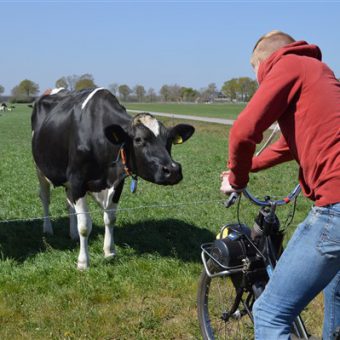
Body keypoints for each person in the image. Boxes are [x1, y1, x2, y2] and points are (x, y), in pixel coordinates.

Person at [220, 30, 340, 339]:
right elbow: (289, 145)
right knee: (336, 291)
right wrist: (251, 166)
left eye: (255, 71)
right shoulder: (320, 73)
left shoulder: (286, 66)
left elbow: (242, 131)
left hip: (336, 204)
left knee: (270, 313)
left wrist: (237, 179)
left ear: (263, 61)